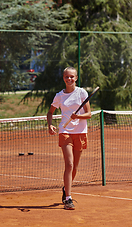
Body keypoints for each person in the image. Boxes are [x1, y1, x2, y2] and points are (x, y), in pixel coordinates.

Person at [46, 67, 92, 210]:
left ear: (76, 78)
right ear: (63, 78)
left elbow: (89, 114)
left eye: (72, 77)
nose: (69, 79)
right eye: (66, 77)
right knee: (69, 164)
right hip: (65, 131)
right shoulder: (59, 96)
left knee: (75, 168)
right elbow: (50, 112)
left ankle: (66, 189)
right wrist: (50, 125)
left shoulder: (82, 93)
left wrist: (77, 116)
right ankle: (68, 198)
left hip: (80, 132)